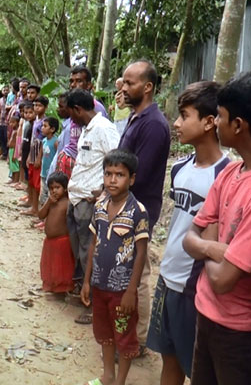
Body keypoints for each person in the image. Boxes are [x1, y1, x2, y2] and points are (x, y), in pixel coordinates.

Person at [182, 69, 251, 385]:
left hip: (240, 332)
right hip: (206, 315)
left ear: (238, 125)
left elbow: (222, 280)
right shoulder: (231, 172)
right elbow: (190, 239)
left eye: (219, 116)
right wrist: (215, 247)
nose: (215, 123)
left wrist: (205, 237)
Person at [146, 81, 229, 385]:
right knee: (168, 357)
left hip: (195, 287)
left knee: (195, 363)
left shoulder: (226, 176)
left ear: (209, 122)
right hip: (168, 278)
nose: (177, 124)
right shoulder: (179, 169)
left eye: (184, 115)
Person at [80, 149, 149, 385]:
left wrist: (132, 290)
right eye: (108, 173)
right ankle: (107, 375)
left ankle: (120, 381)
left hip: (122, 292)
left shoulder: (137, 212)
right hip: (99, 286)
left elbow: (141, 253)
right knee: (104, 333)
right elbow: (93, 245)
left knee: (124, 336)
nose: (112, 179)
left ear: (131, 179)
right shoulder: (99, 207)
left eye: (119, 175)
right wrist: (87, 281)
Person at [118, 59, 171, 352]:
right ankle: (125, 332)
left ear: (147, 87)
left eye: (130, 83)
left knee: (137, 274)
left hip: (138, 210)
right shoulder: (137, 116)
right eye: (123, 82)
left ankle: (136, 339)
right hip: (124, 207)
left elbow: (141, 172)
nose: (123, 88)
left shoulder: (153, 124)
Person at [66, 89, 120, 324]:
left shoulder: (104, 129)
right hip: (77, 199)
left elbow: (118, 161)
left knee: (92, 254)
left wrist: (105, 191)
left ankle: (96, 306)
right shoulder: (88, 130)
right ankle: (84, 294)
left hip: (90, 203)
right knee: (81, 252)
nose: (70, 119)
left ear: (78, 109)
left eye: (70, 113)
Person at [37, 171, 74, 293]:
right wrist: (48, 202)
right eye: (51, 188)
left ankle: (62, 288)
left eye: (57, 187)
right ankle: (51, 285)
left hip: (62, 241)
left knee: (61, 267)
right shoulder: (51, 203)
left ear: (65, 188)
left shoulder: (67, 203)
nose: (54, 191)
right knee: (50, 265)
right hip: (49, 242)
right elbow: (41, 215)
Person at [38, 117, 59, 206]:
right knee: (43, 194)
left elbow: (58, 156)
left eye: (45, 126)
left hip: (51, 173)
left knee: (50, 195)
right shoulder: (44, 140)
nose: (42, 128)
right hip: (43, 172)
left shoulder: (55, 142)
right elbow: (41, 152)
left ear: (52, 129)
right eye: (42, 125)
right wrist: (38, 159)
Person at [7, 115, 21, 184]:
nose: (11, 124)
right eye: (10, 122)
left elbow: (17, 143)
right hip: (11, 150)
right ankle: (12, 179)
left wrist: (15, 153)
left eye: (13, 122)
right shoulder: (13, 131)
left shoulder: (17, 131)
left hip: (14, 150)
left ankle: (16, 180)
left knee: (16, 166)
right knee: (12, 166)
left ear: (18, 123)